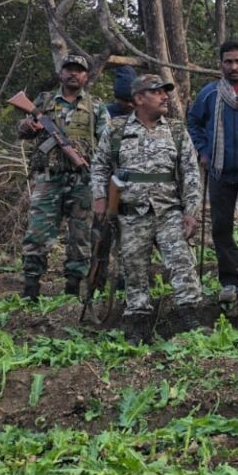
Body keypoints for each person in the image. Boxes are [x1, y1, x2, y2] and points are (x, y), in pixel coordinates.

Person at [90, 75, 202, 339]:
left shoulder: (176, 130)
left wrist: (191, 212)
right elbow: (99, 166)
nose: (165, 97)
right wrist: (99, 198)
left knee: (182, 264)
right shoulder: (117, 130)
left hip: (169, 212)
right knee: (133, 268)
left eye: (166, 92)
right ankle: (138, 321)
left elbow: (190, 173)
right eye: (157, 92)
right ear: (139, 98)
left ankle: (191, 315)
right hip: (131, 214)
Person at [17, 53, 109, 300]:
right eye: (69, 69)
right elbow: (24, 129)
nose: (73, 73)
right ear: (61, 73)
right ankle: (30, 289)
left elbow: (107, 142)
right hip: (49, 178)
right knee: (37, 234)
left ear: (86, 76)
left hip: (82, 180)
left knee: (80, 236)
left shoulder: (96, 106)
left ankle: (72, 288)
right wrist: (27, 127)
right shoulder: (43, 102)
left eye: (79, 70)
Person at [187, 41, 238, 305]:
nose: (233, 67)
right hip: (220, 171)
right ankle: (229, 281)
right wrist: (203, 149)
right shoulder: (210, 94)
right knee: (222, 228)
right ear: (220, 64)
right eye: (228, 62)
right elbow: (194, 122)